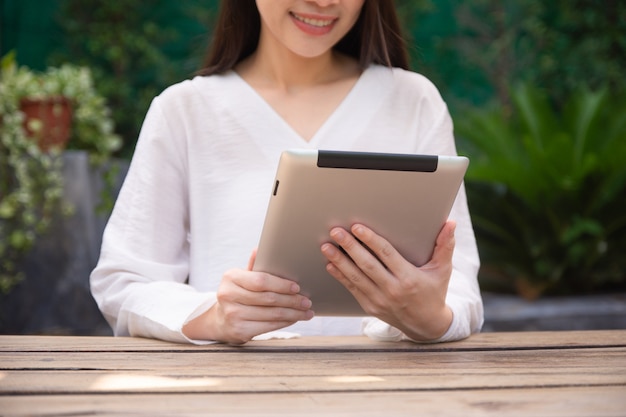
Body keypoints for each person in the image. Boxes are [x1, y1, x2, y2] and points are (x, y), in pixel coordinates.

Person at [90, 0, 483, 345]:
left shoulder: (414, 102)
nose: (325, 1)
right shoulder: (185, 111)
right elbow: (123, 282)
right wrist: (214, 317)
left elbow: (459, 286)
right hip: (231, 397)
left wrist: (431, 319)